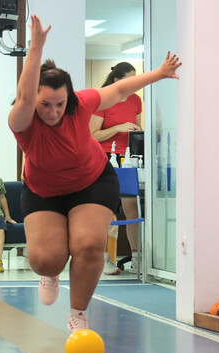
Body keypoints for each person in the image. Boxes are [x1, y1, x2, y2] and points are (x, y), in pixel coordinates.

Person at [8, 14, 181, 333]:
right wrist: (36, 47)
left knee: (88, 244)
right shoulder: (23, 122)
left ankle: (78, 314)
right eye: (46, 105)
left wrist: (159, 73)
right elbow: (24, 97)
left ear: (69, 99)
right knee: (46, 258)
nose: (53, 111)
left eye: (60, 104)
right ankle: (51, 271)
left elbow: (119, 90)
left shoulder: (81, 104)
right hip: (44, 191)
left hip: (92, 181)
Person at [90, 62, 143, 275]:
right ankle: (104, 260)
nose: (134, 84)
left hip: (128, 158)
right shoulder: (103, 100)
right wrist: (117, 128)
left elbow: (138, 130)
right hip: (104, 158)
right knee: (107, 211)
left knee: (132, 209)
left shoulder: (136, 100)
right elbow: (93, 135)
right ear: (117, 80)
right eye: (130, 79)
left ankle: (137, 258)